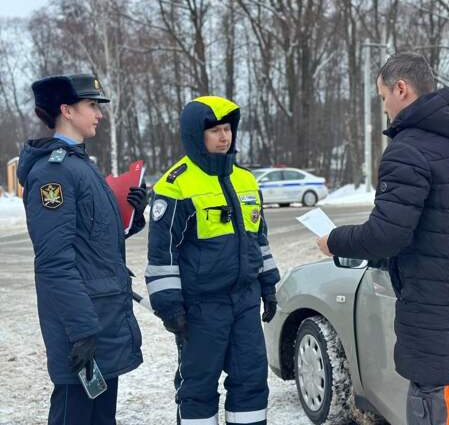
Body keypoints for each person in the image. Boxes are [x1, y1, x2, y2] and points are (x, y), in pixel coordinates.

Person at [317, 53, 449, 425]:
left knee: (445, 409)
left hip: (438, 302)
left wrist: (333, 241)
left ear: (401, 89)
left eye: (383, 97)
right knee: (441, 402)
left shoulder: (408, 149)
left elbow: (386, 234)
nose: (384, 108)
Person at [17, 74, 147, 425]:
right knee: (75, 415)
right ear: (66, 111)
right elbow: (54, 262)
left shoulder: (80, 166)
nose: (99, 114)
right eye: (92, 105)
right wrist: (82, 332)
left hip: (101, 319)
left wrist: (134, 214)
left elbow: (96, 240)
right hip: (83, 328)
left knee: (101, 419)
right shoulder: (53, 174)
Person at [146, 95, 280, 425]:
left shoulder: (246, 180)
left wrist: (269, 286)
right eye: (215, 131)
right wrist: (170, 307)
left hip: (245, 303)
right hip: (201, 308)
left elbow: (258, 238)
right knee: (198, 390)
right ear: (196, 134)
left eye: (227, 129)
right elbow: (163, 255)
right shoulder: (175, 185)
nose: (224, 137)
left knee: (251, 385)